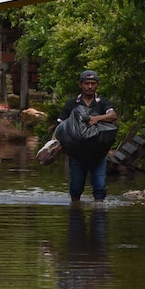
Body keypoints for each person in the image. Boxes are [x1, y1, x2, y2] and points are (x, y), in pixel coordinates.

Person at [56, 70, 118, 202]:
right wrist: (53, 144)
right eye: (86, 83)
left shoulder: (103, 102)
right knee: (76, 187)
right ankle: (75, 211)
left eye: (93, 83)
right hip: (77, 155)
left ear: (97, 85)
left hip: (98, 154)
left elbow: (113, 115)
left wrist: (97, 118)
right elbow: (60, 126)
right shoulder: (72, 104)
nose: (89, 87)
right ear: (80, 85)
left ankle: (99, 213)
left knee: (100, 187)